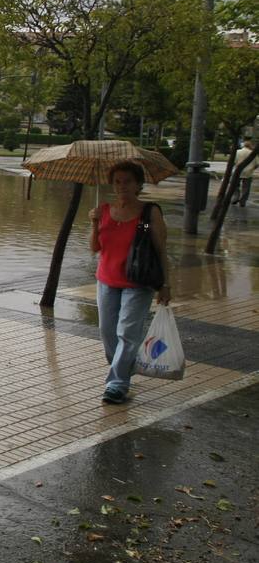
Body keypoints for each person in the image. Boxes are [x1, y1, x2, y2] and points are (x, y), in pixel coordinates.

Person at [87, 160, 170, 405]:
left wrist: (166, 285)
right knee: (107, 332)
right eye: (117, 182)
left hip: (138, 282)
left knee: (127, 333)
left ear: (138, 185)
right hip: (107, 281)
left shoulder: (146, 214)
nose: (122, 186)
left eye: (127, 182)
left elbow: (159, 248)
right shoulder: (102, 211)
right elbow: (94, 248)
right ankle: (125, 365)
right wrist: (94, 223)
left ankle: (117, 384)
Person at [232, 139, 255, 207]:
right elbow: (257, 164)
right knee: (246, 188)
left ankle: (236, 196)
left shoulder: (237, 152)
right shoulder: (252, 153)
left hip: (238, 171)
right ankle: (243, 201)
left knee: (235, 185)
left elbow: (234, 162)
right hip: (248, 172)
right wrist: (252, 168)